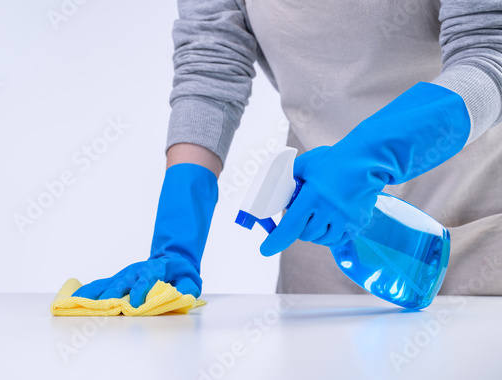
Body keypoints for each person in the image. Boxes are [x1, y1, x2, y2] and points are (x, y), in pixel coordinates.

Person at [73, 0, 502, 306]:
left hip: (469, 238)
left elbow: (488, 53)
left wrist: (369, 154)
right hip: (322, 244)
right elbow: (209, 71)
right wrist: (176, 242)